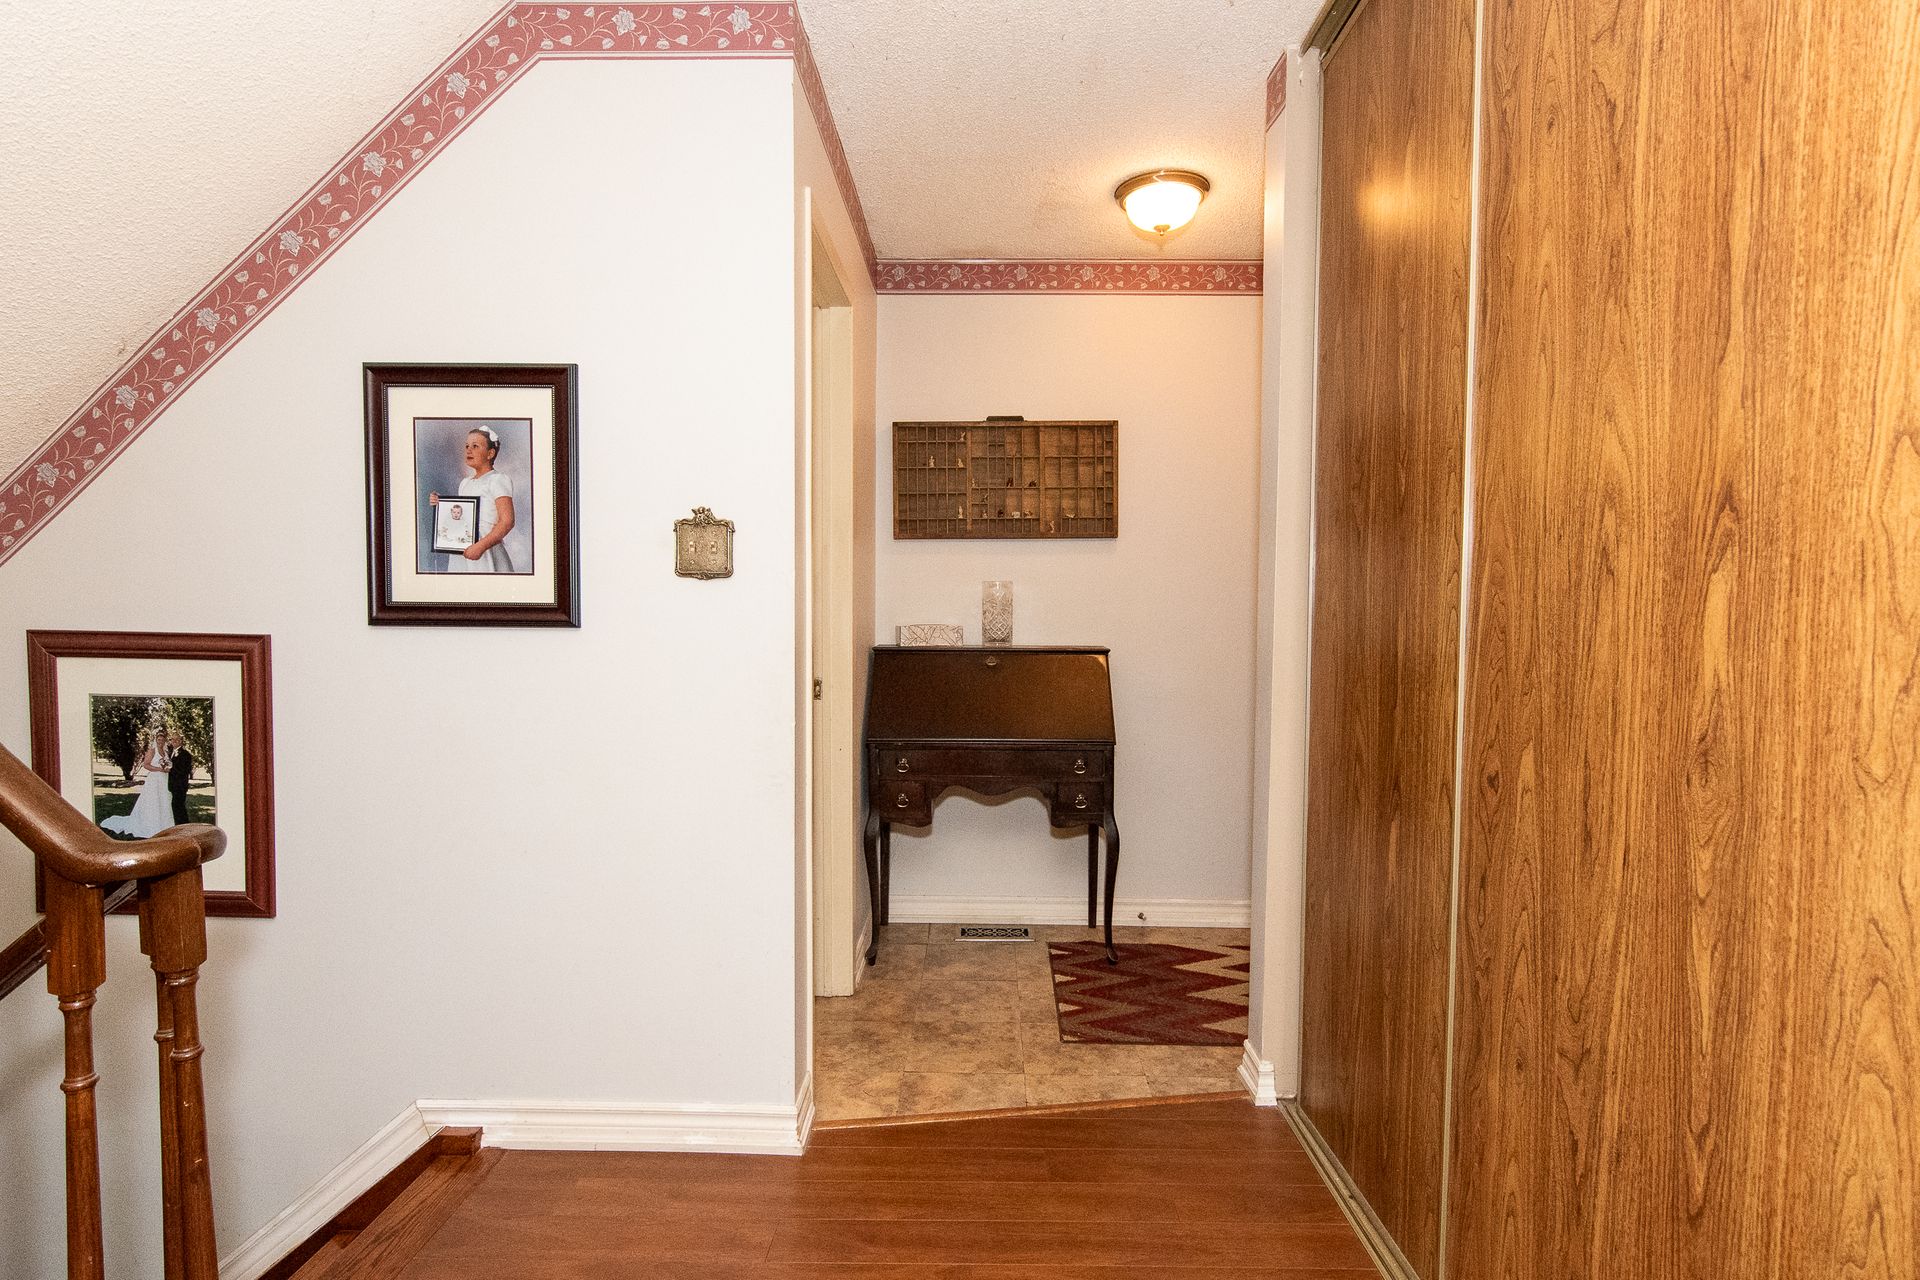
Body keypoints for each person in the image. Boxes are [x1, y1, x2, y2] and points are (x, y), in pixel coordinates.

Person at [429, 426, 515, 572]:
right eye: (467, 446)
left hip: (486, 549)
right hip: (464, 547)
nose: (469, 450)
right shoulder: (465, 483)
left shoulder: (498, 480)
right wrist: (440, 504)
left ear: (490, 453)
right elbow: (462, 516)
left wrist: (480, 546)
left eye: (475, 446)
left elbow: (507, 521)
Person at [102, 728, 176, 839]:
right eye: (158, 740)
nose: (160, 742)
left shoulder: (165, 752)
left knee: (163, 800)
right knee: (153, 801)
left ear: (165, 741)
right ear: (156, 740)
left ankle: (165, 825)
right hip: (154, 779)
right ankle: (151, 825)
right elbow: (146, 765)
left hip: (164, 779)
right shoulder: (152, 751)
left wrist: (167, 769)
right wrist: (159, 769)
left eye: (162, 740)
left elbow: (168, 764)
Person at [167, 729, 195, 827]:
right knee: (176, 807)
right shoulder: (170, 752)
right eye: (172, 739)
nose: (174, 741)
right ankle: (180, 826)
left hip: (180, 786)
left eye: (177, 739)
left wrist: (171, 767)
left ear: (181, 741)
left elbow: (185, 771)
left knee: (179, 807)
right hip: (173, 785)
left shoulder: (186, 754)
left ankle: (183, 827)